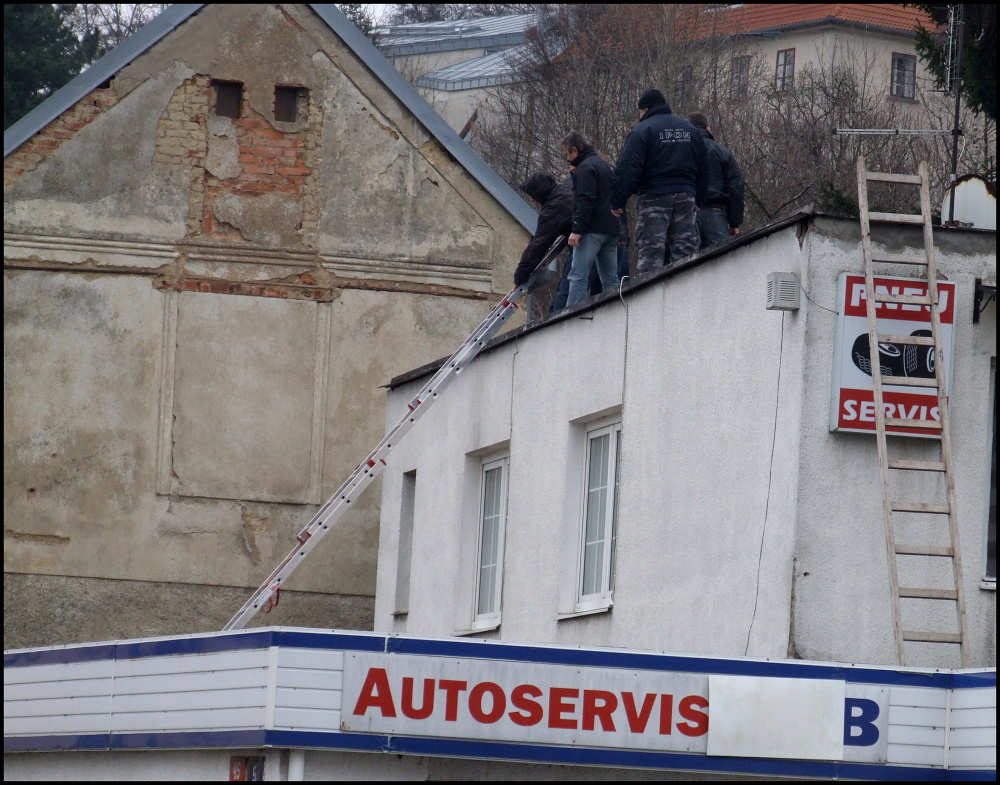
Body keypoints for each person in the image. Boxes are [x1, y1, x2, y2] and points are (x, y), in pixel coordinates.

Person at [610, 88, 706, 274]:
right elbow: (704, 167)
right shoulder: (690, 130)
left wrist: (617, 200)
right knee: (685, 253)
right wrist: (700, 199)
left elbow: (628, 168)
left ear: (645, 109)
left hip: (654, 197)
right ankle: (686, 296)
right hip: (686, 197)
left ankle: (649, 300)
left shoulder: (642, 131)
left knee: (651, 254)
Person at [561, 131, 620, 308]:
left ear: (574, 150)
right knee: (611, 280)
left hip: (591, 230)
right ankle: (618, 313)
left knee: (578, 276)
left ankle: (572, 318)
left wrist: (577, 230)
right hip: (611, 229)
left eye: (567, 153)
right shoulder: (604, 165)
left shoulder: (585, 168)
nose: (567, 158)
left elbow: (585, 200)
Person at [514, 171, 575, 321]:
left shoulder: (554, 207)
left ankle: (557, 325)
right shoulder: (567, 188)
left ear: (539, 194)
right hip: (613, 239)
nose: (533, 201)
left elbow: (539, 244)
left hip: (585, 247)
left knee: (563, 302)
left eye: (533, 197)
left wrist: (520, 276)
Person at [687, 112, 744, 250]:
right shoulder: (722, 151)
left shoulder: (680, 150)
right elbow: (736, 188)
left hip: (687, 214)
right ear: (707, 129)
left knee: (685, 265)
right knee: (720, 263)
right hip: (716, 213)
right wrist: (734, 222)